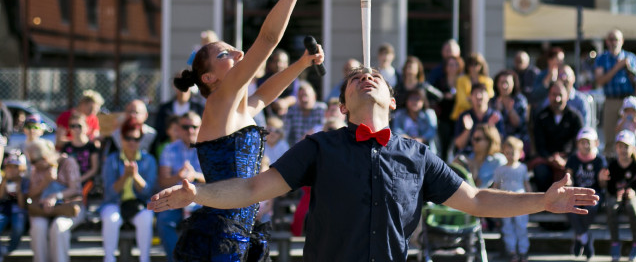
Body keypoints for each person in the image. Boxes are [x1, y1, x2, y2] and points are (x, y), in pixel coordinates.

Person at [149, 67, 600, 262]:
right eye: (355, 80)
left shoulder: (417, 154)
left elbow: (478, 199)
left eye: (376, 77)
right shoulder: (319, 146)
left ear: (392, 99)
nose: (367, 77)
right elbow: (252, 190)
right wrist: (200, 193)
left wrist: (542, 200)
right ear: (344, 105)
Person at [158, 0, 328, 261]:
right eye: (225, 54)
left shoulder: (237, 109)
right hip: (223, 231)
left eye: (234, 49)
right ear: (209, 78)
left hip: (239, 228)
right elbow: (267, 39)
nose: (238, 54)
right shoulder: (219, 100)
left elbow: (264, 95)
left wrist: (302, 64)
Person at [101, 117, 157, 262]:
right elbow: (110, 193)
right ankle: (109, 259)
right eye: (128, 138)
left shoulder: (149, 160)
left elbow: (148, 192)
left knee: (146, 218)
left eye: (136, 139)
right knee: (110, 219)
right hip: (115, 204)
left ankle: (145, 259)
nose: (132, 142)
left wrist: (135, 176)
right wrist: (125, 177)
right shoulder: (111, 160)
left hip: (138, 204)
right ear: (121, 138)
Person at [156, 112, 204, 261]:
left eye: (194, 126)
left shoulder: (209, 148)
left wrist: (195, 175)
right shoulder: (169, 149)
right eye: (185, 126)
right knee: (164, 221)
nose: (190, 130)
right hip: (176, 199)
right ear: (179, 128)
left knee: (209, 223)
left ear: (200, 127)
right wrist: (179, 177)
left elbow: (217, 181)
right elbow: (163, 181)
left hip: (203, 199)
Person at [26, 139, 83, 262]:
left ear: (45, 157)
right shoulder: (36, 169)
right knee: (38, 227)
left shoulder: (68, 162)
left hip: (67, 208)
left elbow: (75, 189)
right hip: (43, 210)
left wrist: (55, 196)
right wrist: (45, 182)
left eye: (35, 161)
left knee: (58, 226)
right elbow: (30, 195)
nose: (33, 164)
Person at [529, 81, 584, 192]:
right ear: (549, 96)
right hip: (548, 159)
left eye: (560, 95)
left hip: (569, 159)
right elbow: (539, 143)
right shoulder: (541, 116)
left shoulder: (575, 117)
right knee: (541, 171)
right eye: (554, 95)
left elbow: (578, 143)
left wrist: (566, 160)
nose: (557, 99)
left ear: (567, 96)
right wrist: (551, 158)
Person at [595, 29, 636, 154]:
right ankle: (610, 163)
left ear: (622, 41)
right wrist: (617, 67)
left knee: (629, 135)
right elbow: (600, 80)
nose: (614, 42)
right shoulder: (601, 59)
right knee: (610, 136)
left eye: (617, 39)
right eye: (611, 39)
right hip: (611, 101)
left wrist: (628, 68)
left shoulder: (631, 57)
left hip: (628, 101)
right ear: (607, 42)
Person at [567, 127, 608, 261]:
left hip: (593, 193)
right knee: (570, 208)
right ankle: (585, 237)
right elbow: (569, 176)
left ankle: (579, 237)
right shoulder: (573, 159)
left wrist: (603, 180)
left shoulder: (600, 160)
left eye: (588, 142)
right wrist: (568, 182)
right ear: (578, 143)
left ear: (595, 142)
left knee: (591, 207)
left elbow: (603, 184)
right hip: (577, 193)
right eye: (582, 142)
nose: (585, 145)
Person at [605, 130, 636, 262]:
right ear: (616, 148)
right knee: (611, 206)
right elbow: (609, 187)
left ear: (633, 148)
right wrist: (616, 193)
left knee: (632, 207)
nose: (623, 150)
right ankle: (615, 243)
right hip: (617, 197)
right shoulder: (612, 165)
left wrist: (634, 193)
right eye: (620, 146)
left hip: (634, 197)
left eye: (626, 146)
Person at [492, 136, 532, 262]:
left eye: (512, 153)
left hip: (521, 201)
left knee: (521, 227)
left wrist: (532, 199)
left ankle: (523, 251)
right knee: (507, 227)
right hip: (505, 201)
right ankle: (512, 251)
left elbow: (526, 184)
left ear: (520, 153)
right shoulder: (500, 169)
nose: (509, 156)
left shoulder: (522, 168)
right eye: (507, 153)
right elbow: (495, 186)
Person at [453, 83, 503, 155]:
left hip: (489, 155)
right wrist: (468, 130)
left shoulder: (496, 115)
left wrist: (491, 129)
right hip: (469, 154)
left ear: (488, 96)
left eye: (482, 92)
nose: (479, 96)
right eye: (475, 93)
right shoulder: (464, 116)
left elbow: (500, 144)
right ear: (470, 97)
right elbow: (459, 145)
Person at [153, 86, 205, 153]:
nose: (182, 92)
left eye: (193, 127)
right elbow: (159, 129)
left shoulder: (199, 108)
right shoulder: (167, 149)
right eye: (185, 127)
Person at [60, 112, 100, 198]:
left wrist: (79, 179)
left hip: (86, 180)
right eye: (72, 126)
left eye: (79, 126)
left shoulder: (91, 146)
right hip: (68, 181)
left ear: (87, 127)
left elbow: (94, 169)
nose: (76, 129)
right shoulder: (66, 147)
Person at [455, 124, 506, 189]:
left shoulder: (499, 161)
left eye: (477, 139)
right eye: (473, 138)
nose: (473, 142)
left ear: (489, 141)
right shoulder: (466, 157)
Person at [489, 70, 529, 148]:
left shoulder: (520, 100)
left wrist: (510, 110)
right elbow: (489, 125)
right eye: (502, 83)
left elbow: (520, 124)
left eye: (507, 83)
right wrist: (498, 112)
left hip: (517, 140)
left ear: (513, 84)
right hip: (497, 140)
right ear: (497, 84)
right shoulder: (492, 101)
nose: (505, 86)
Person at [451, 53, 495, 122]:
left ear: (481, 65)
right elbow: (461, 102)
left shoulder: (488, 81)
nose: (474, 67)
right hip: (463, 116)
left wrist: (470, 98)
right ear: (467, 66)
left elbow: (490, 98)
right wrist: (478, 104)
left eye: (476, 64)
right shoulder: (461, 80)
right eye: (471, 64)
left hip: (483, 115)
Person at [435, 54, 463, 159]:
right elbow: (436, 97)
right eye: (450, 65)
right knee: (444, 145)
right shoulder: (441, 81)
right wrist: (444, 96)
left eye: (455, 65)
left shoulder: (462, 81)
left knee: (456, 145)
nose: (452, 67)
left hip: (458, 118)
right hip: (444, 118)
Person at [392, 89, 438, 153]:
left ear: (423, 101)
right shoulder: (400, 113)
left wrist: (421, 139)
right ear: (406, 100)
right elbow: (396, 130)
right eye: (411, 99)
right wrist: (409, 139)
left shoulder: (429, 113)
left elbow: (432, 131)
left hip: (426, 150)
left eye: (417, 99)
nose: (414, 102)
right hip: (405, 149)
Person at [0, 153, 27, 259]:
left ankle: (9, 249)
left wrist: (19, 189)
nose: (12, 170)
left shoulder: (25, 182)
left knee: (18, 226)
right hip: (4, 210)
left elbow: (22, 205)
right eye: (9, 166)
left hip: (19, 211)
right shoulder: (4, 179)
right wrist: (5, 181)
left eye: (15, 167)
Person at [283, 81, 327, 145]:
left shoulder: (322, 109)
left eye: (306, 95)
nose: (304, 99)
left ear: (314, 97)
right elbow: (286, 134)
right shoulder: (292, 112)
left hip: (318, 147)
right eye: (300, 96)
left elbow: (326, 128)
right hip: (297, 148)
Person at [258, 49, 300, 118]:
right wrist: (276, 102)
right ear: (270, 63)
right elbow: (262, 94)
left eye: (282, 62)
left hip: (290, 117)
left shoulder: (292, 79)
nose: (279, 65)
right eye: (276, 61)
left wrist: (285, 102)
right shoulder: (263, 79)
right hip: (267, 117)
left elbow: (294, 96)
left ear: (287, 64)